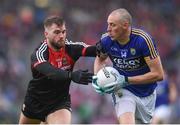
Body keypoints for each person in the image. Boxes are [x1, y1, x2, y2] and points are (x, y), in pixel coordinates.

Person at [19, 16, 96, 124]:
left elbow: (94, 50)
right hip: (35, 103)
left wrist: (106, 45)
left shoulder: (71, 48)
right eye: (56, 32)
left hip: (59, 103)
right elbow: (51, 72)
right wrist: (71, 75)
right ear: (46, 34)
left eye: (63, 32)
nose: (61, 36)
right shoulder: (39, 53)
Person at [92, 8, 164, 124]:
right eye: (108, 24)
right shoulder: (106, 40)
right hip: (123, 90)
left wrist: (126, 80)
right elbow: (100, 60)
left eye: (112, 25)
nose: (108, 29)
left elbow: (158, 74)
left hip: (147, 93)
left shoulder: (143, 40)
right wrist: (97, 77)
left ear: (125, 25)